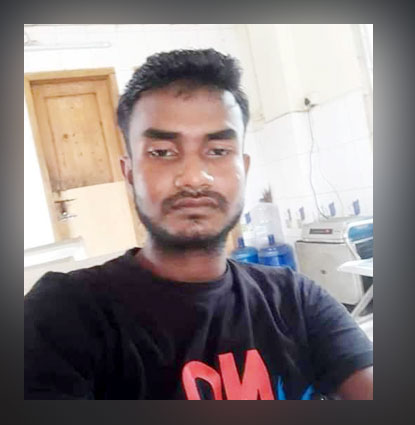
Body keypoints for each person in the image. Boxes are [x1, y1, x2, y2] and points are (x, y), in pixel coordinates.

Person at [24, 49, 373, 400]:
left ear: (243, 169)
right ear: (129, 173)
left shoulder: (296, 300)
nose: (193, 177)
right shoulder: (64, 314)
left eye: (218, 151)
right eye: (162, 152)